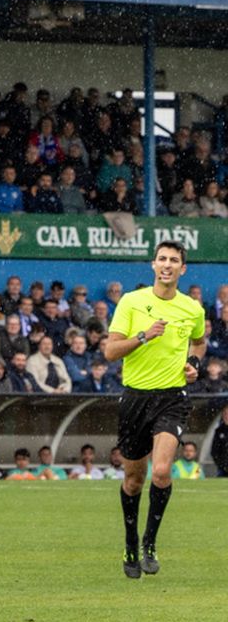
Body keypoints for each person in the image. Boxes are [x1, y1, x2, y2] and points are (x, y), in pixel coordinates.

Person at [103, 240, 206, 579]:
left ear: (182, 269)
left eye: (174, 260)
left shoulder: (192, 308)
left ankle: (149, 542)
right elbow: (110, 352)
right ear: (153, 264)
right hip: (135, 398)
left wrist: (194, 364)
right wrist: (144, 337)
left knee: (161, 472)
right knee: (133, 481)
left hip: (172, 398)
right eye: (162, 258)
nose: (167, 264)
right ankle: (130, 542)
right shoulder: (132, 302)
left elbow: (199, 342)